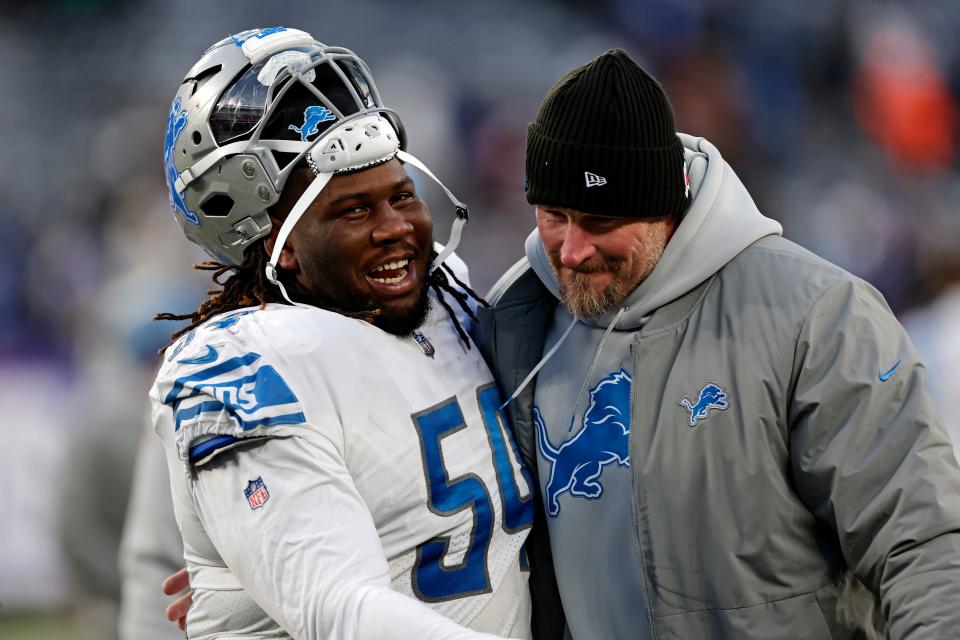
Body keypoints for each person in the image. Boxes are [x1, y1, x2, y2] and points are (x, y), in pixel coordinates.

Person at [476, 49, 960, 639]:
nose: (572, 251)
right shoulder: (517, 320)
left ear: (666, 205)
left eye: (600, 221)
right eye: (553, 215)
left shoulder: (816, 314)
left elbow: (921, 539)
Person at [150, 26, 534, 639]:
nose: (398, 229)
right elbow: (341, 612)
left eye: (401, 196)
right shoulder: (241, 365)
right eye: (353, 210)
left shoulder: (443, 298)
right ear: (280, 243)